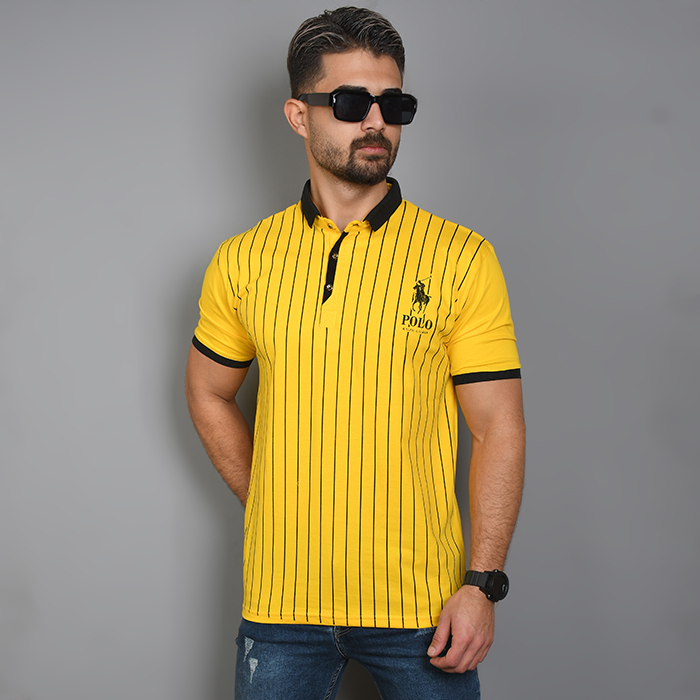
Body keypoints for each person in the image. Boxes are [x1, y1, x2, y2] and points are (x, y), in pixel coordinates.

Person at [185, 7, 525, 699]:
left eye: (393, 105)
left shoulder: (462, 258)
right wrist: (269, 496)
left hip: (424, 608)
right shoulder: (243, 260)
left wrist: (482, 584)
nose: (376, 122)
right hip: (280, 607)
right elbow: (207, 390)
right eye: (350, 102)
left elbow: (497, 426)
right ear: (298, 115)